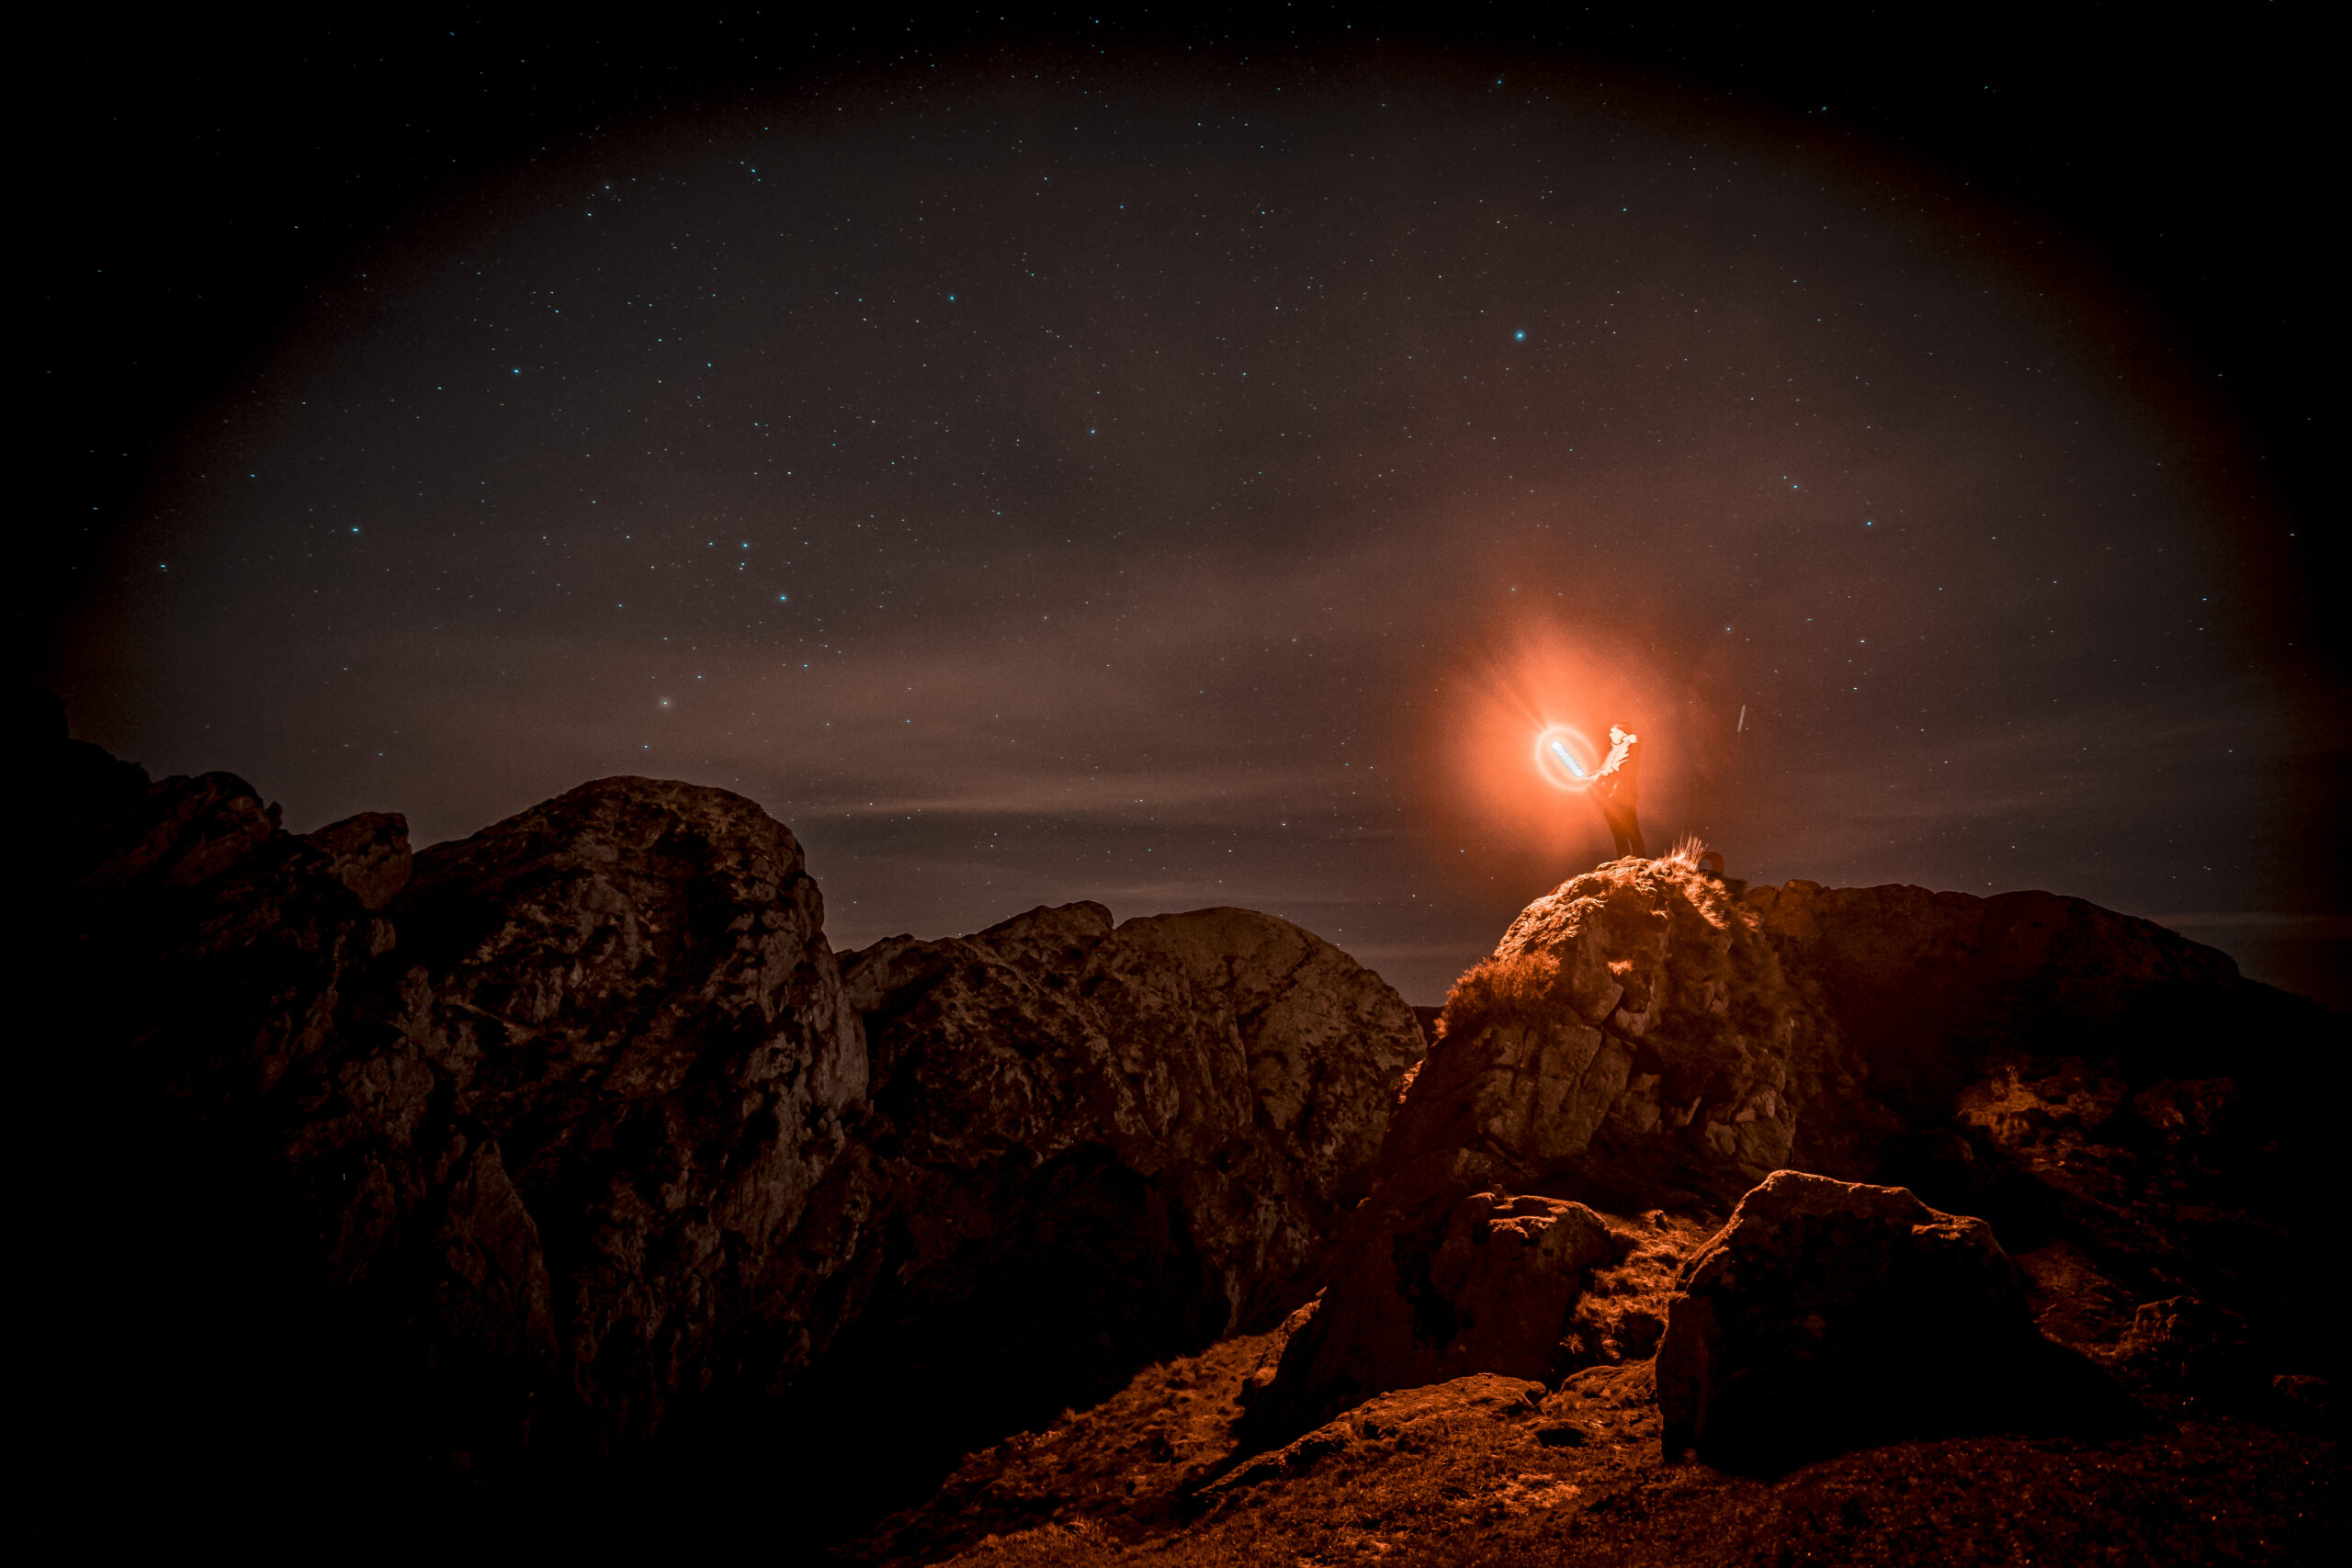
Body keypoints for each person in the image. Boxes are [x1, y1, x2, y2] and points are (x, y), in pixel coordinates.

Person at [1591, 721, 1646, 859]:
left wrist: (1596, 776)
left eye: (1614, 732)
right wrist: (1593, 774)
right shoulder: (1616, 750)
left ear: (1623, 733)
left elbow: (1619, 768)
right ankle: (1623, 859)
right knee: (1617, 829)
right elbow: (1606, 769)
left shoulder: (1629, 747)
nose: (1610, 734)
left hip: (1623, 796)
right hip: (1611, 796)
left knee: (1630, 827)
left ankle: (1639, 859)